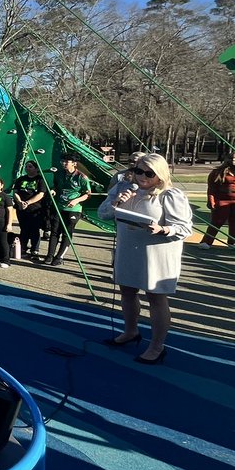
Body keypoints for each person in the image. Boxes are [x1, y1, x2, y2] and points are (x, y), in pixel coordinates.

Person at [96, 153, 193, 364]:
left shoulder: (170, 195)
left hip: (157, 252)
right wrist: (115, 202)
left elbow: (185, 228)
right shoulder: (123, 188)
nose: (142, 176)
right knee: (127, 290)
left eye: (149, 173)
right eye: (139, 171)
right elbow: (102, 214)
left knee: (155, 297)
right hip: (128, 248)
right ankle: (130, 331)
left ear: (160, 174)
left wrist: (162, 229)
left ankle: (157, 346)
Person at [47, 156, 93, 266]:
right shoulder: (59, 174)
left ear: (74, 163)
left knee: (66, 232)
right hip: (59, 206)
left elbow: (87, 194)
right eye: (62, 161)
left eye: (66, 161)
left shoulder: (81, 177)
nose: (63, 163)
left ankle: (59, 257)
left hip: (73, 209)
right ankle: (49, 255)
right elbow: (56, 186)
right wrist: (53, 190)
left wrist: (76, 200)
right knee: (54, 231)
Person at [12, 161, 48, 262]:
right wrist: (20, 202)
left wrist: (28, 202)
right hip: (21, 208)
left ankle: (34, 250)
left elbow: (41, 194)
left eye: (30, 167)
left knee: (34, 229)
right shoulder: (21, 179)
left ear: (36, 168)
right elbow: (15, 192)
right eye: (26, 167)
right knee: (24, 228)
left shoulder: (40, 180)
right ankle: (23, 247)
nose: (28, 168)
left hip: (35, 208)